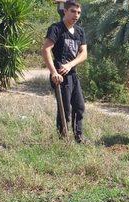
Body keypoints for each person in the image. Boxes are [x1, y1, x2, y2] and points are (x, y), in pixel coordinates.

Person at [41, 0, 88, 143]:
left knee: (79, 107)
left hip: (73, 74)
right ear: (65, 11)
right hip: (60, 76)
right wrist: (54, 72)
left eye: (79, 12)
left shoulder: (80, 31)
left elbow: (84, 53)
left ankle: (78, 137)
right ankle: (63, 139)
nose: (76, 15)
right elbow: (46, 50)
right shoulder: (56, 28)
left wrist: (70, 64)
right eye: (73, 11)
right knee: (65, 109)